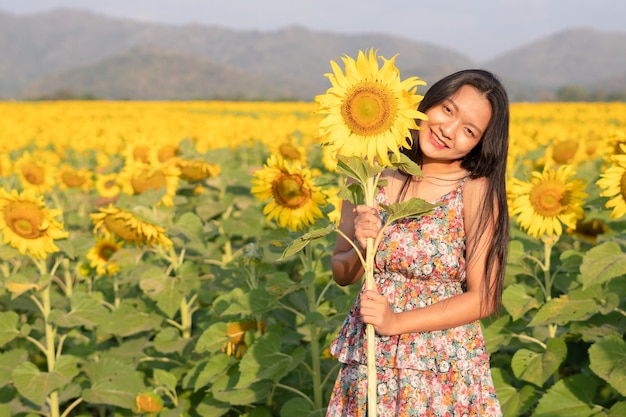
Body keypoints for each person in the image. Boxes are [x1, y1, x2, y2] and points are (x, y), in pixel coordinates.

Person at [326, 69, 509, 416]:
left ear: (479, 143)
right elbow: (341, 271)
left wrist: (396, 323)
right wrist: (363, 246)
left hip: (441, 370)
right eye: (447, 110)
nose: (448, 130)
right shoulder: (367, 173)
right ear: (428, 103)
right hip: (370, 361)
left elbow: (483, 296)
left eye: (469, 130)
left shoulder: (474, 189)